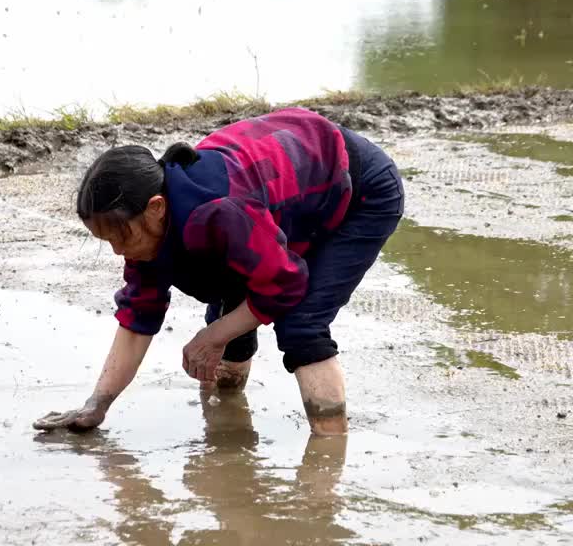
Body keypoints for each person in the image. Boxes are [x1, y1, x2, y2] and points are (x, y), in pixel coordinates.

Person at [33, 107, 404, 436]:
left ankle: (329, 452)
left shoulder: (219, 211)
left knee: (301, 323)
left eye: (121, 236)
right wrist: (97, 405)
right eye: (107, 240)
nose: (118, 250)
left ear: (156, 207)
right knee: (226, 309)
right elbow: (138, 316)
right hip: (274, 199)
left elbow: (285, 284)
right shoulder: (145, 229)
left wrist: (213, 336)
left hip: (357, 187)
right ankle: (228, 432)